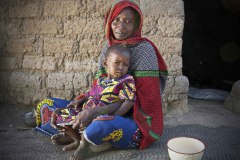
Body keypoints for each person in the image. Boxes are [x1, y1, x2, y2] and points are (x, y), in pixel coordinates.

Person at [64, 0, 168, 159]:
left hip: (132, 120)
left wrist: (95, 111)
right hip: (103, 107)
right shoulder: (108, 48)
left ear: (136, 26)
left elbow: (142, 100)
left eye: (128, 21)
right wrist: (83, 99)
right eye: (116, 19)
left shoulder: (145, 50)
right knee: (55, 108)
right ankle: (80, 136)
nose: (121, 25)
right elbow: (99, 88)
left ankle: (85, 140)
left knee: (100, 124)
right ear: (109, 21)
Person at [50, 44, 137, 152]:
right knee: (59, 112)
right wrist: (79, 100)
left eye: (125, 65)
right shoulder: (101, 80)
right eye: (117, 63)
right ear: (106, 63)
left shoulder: (126, 80)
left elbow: (128, 102)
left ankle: (83, 144)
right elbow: (89, 94)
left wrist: (114, 116)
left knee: (98, 124)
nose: (121, 67)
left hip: (105, 114)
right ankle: (76, 139)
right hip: (86, 111)